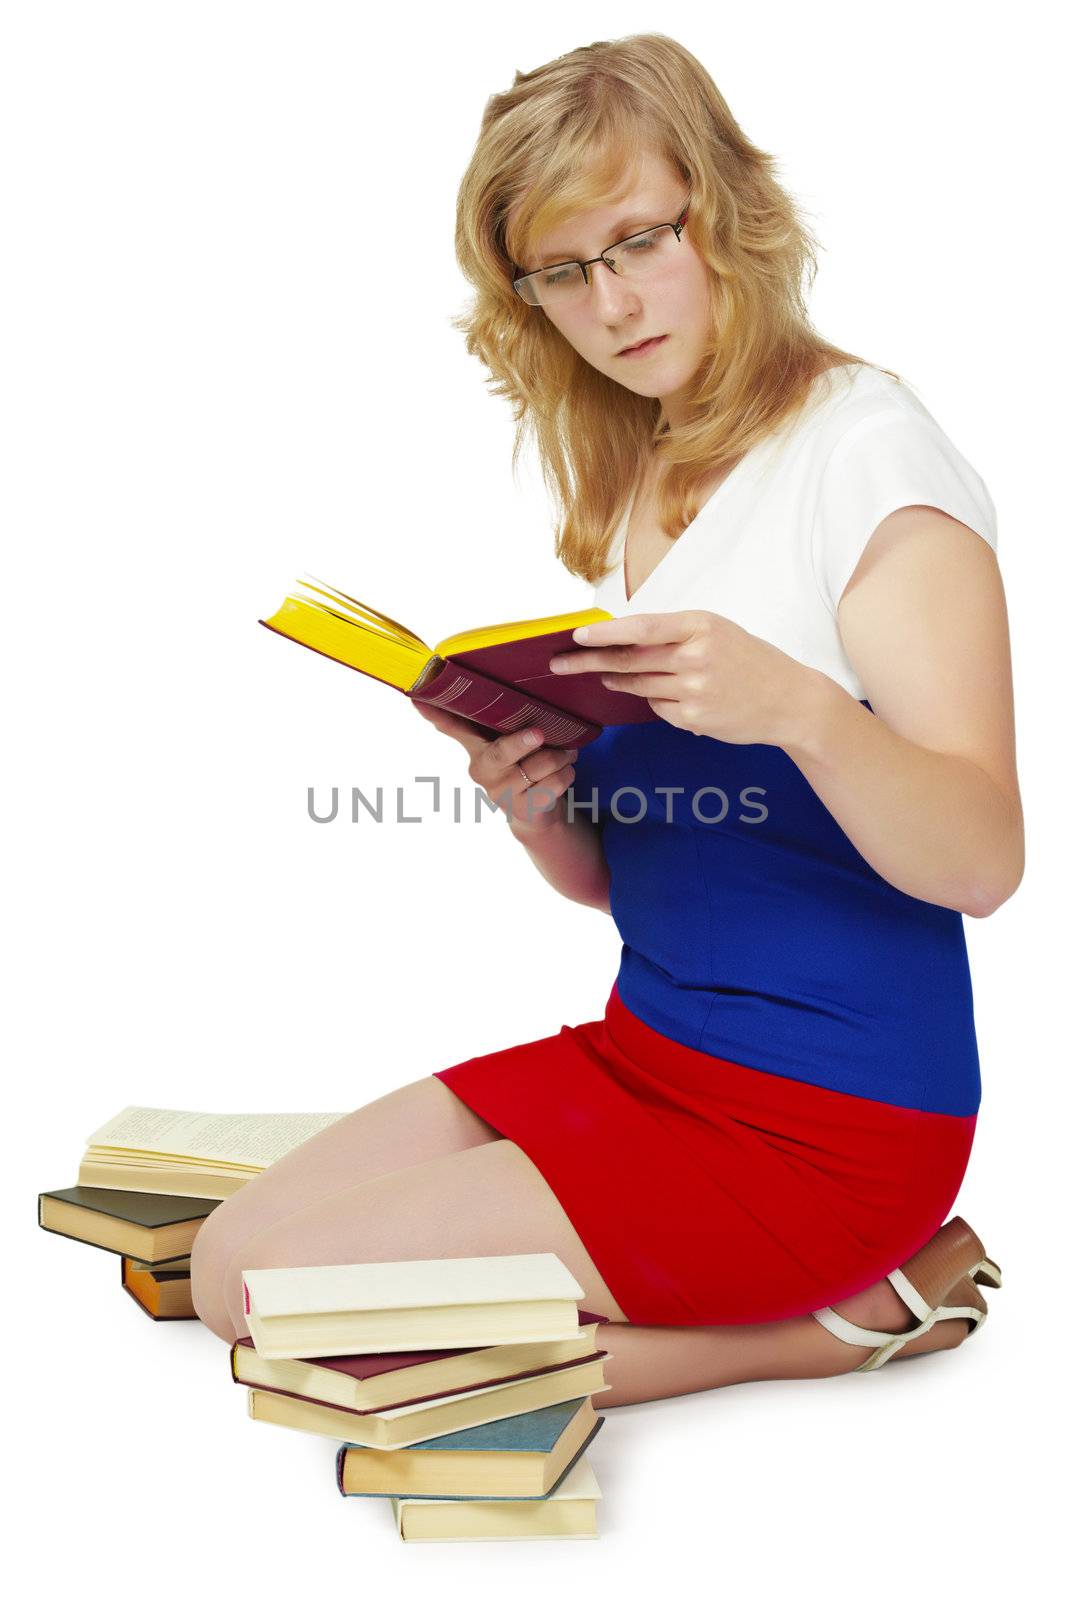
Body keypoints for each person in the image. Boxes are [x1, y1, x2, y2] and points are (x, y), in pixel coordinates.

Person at [191, 34, 1020, 1405]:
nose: (616, 304)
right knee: (235, 1260)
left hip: (828, 1128)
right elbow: (650, 884)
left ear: (727, 211)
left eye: (640, 241)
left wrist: (802, 709)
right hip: (653, 1055)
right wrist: (533, 798)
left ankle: (839, 1325)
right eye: (566, 273)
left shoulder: (870, 459)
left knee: (272, 1309)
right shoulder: (652, 470)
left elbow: (984, 859)